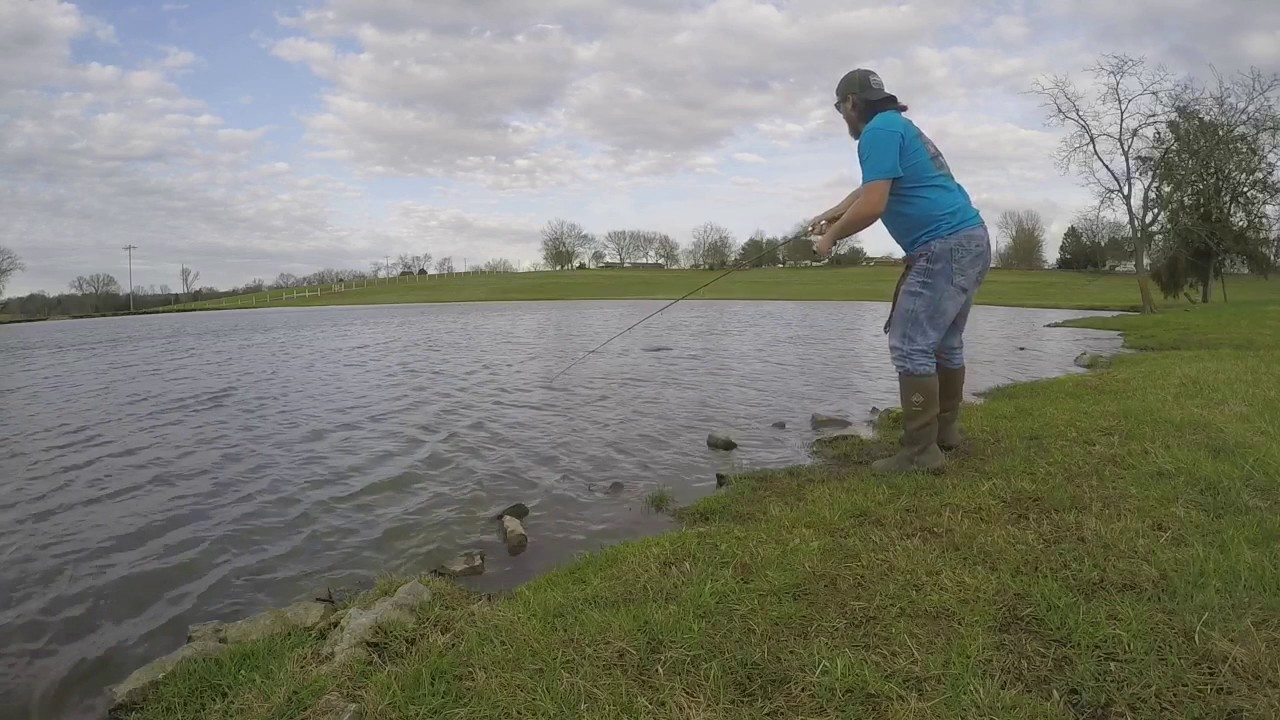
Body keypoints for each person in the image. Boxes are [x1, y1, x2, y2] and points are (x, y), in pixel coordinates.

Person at [810, 68, 992, 474]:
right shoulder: (897, 127)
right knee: (944, 342)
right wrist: (831, 213)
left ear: (851, 104)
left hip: (941, 245)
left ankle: (919, 453)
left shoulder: (876, 133)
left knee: (910, 345)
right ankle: (944, 435)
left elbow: (874, 204)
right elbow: (868, 191)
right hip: (971, 239)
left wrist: (831, 238)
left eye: (840, 108)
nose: (842, 116)